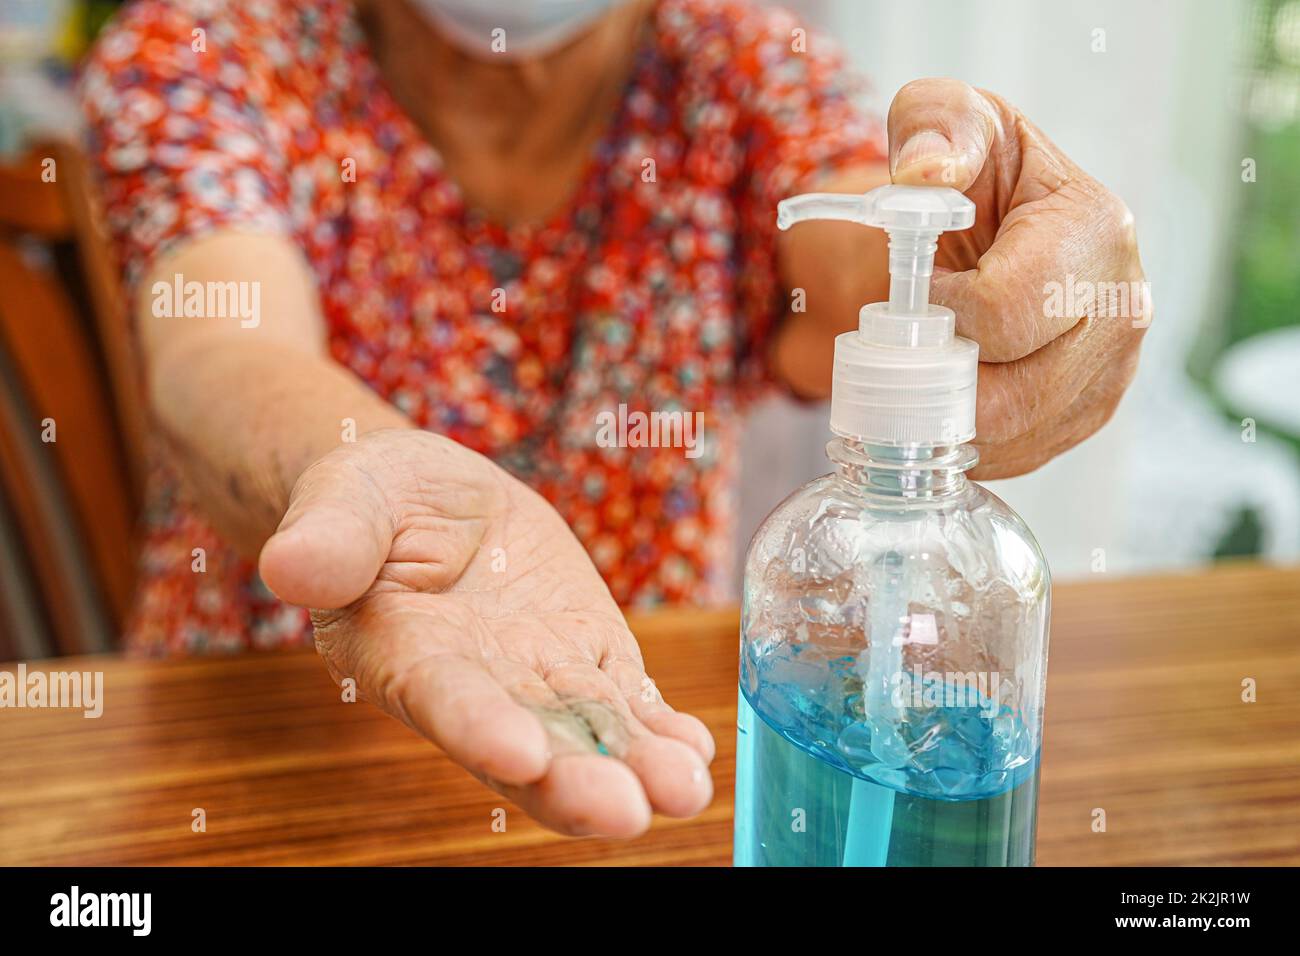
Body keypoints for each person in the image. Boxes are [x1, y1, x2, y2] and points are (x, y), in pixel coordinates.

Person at [79, 0, 1148, 837]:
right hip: (248, 756)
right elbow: (220, 344)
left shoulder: (739, 72)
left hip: (626, 754)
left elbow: (851, 263)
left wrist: (985, 265)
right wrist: (353, 468)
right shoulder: (206, 54)